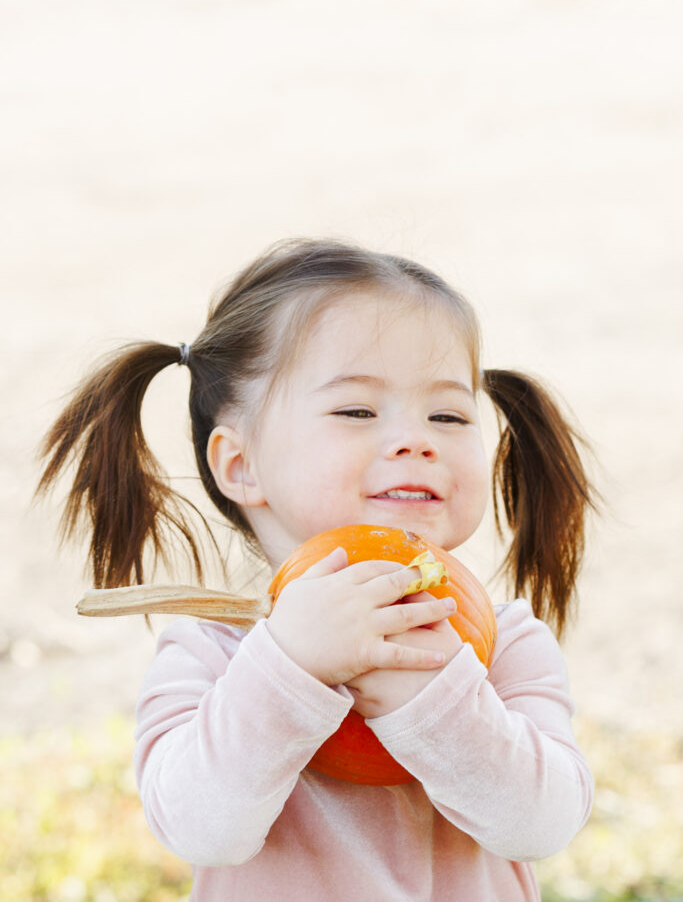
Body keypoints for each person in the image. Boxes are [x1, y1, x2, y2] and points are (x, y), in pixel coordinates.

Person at [38, 238, 597, 901]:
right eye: (356, 410)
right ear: (240, 464)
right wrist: (288, 665)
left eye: (447, 414)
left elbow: (540, 824)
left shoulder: (504, 643)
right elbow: (198, 828)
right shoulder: (211, 652)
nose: (416, 438)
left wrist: (435, 697)